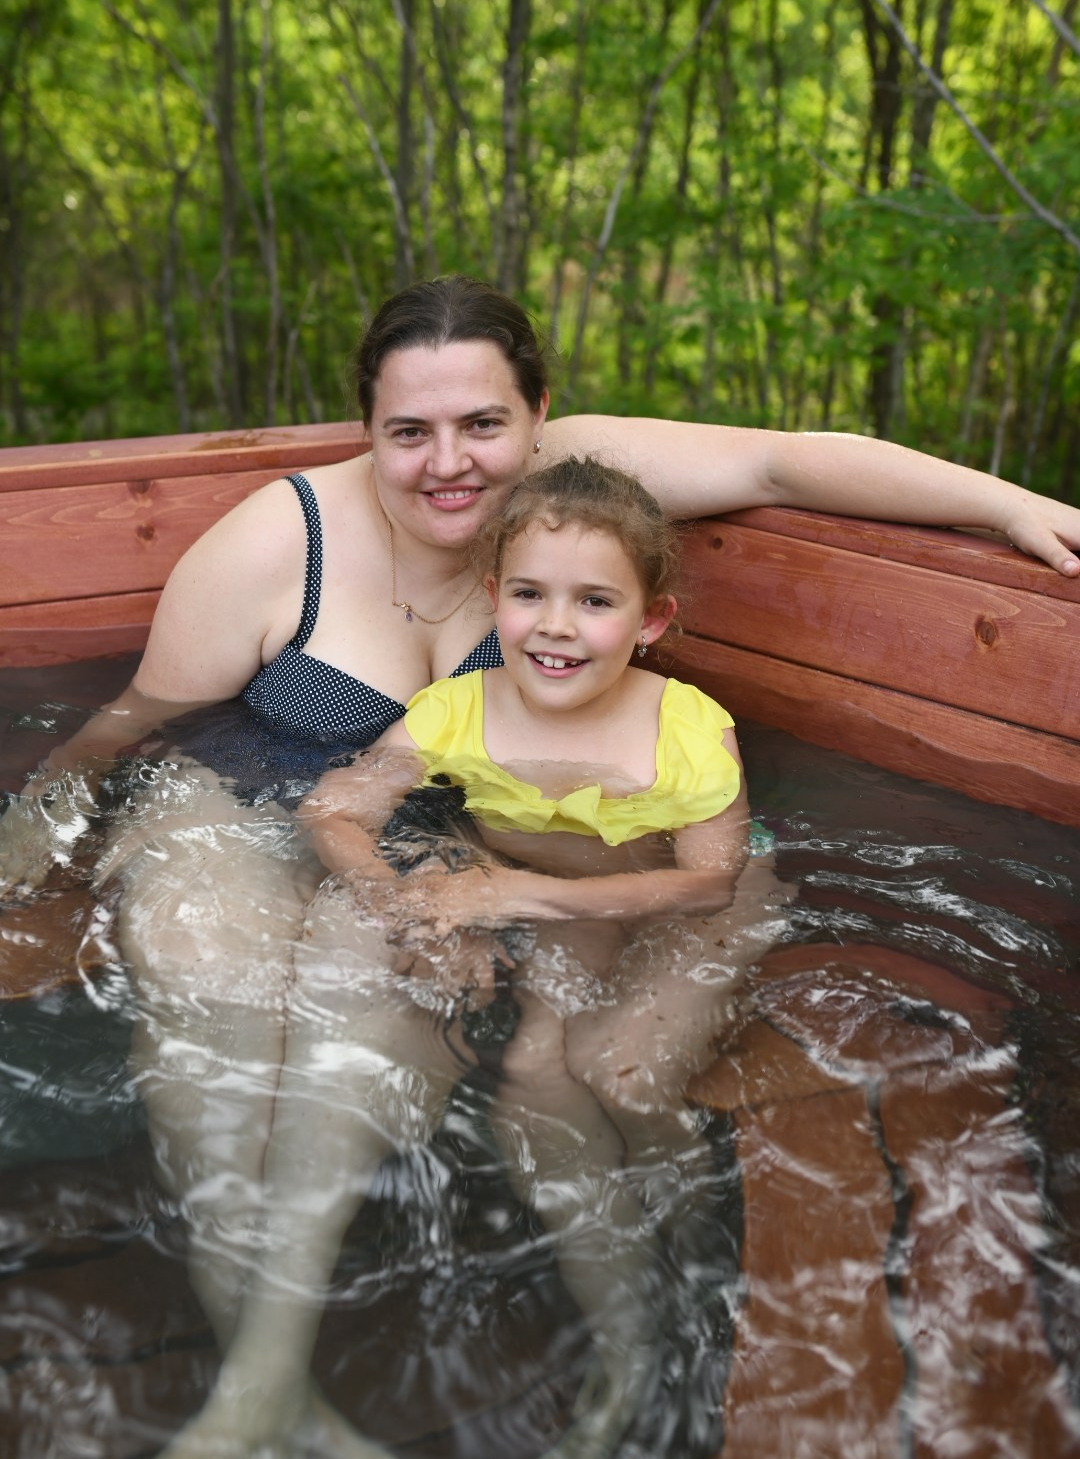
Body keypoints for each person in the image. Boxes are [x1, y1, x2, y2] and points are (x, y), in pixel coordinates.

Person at [0, 275, 1078, 1455]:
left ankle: (264, 1379)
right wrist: (37, 828)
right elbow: (125, 723)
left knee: (352, 1038)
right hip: (236, 794)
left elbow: (781, 467)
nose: (447, 462)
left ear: (541, 416)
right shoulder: (278, 542)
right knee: (212, 1014)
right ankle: (268, 1394)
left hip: (435, 834)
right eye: (408, 431)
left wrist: (1009, 505)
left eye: (483, 425)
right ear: (368, 428)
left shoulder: (571, 497)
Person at [287, 454, 781, 1459]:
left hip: (691, 904)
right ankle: (627, 1335)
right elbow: (331, 808)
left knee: (625, 1074)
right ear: (492, 600)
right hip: (579, 899)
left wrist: (512, 893)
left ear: (649, 622)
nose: (556, 625)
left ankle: (696, 1236)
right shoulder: (456, 714)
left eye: (594, 601)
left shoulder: (688, 728)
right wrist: (407, 907)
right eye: (529, 594)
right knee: (531, 1072)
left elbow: (708, 884)